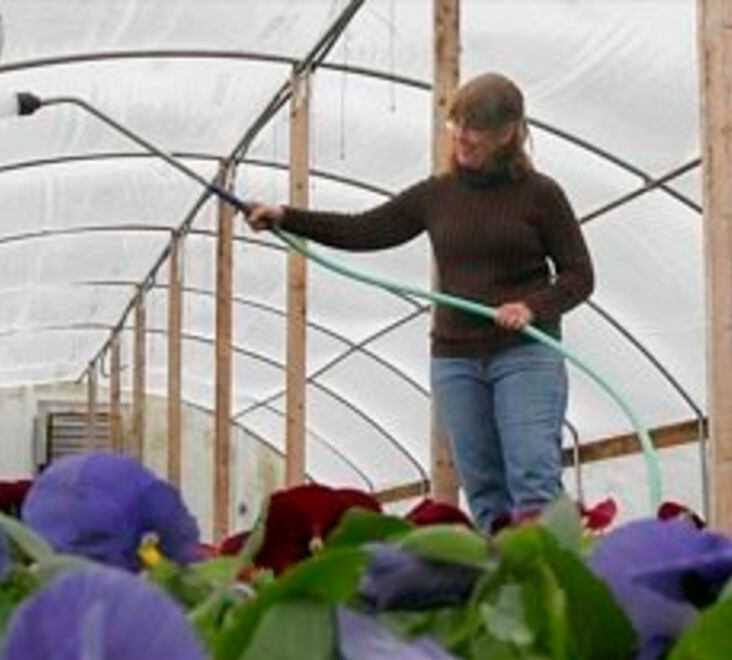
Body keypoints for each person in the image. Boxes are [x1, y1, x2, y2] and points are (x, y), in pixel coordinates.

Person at [245, 72, 594, 532]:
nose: (463, 137)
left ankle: (556, 583)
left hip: (524, 353)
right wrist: (286, 218)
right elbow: (363, 229)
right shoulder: (437, 195)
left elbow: (579, 276)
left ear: (508, 132)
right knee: (485, 489)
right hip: (456, 360)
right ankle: (502, 585)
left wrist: (531, 306)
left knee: (533, 477)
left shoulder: (541, 195)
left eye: (476, 128)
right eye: (457, 125)